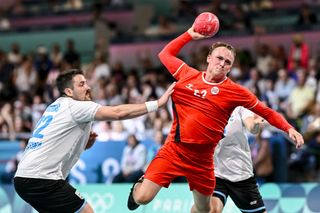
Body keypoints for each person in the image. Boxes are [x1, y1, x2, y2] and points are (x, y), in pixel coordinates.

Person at [127, 24, 304, 213]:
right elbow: (165, 55)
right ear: (209, 58)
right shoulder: (187, 74)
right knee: (142, 198)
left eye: (228, 62)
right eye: (219, 58)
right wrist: (188, 35)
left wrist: (289, 128)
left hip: (203, 160)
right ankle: (138, 185)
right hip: (175, 150)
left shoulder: (235, 91)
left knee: (205, 211)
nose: (222, 63)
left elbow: (266, 111)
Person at [13, 69, 175, 213]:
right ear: (69, 91)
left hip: (22, 178)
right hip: (43, 178)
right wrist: (158, 104)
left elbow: (52, 143)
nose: (88, 87)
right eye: (81, 84)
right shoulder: (76, 106)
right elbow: (118, 112)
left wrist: (83, 145)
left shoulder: (54, 107)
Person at [211, 106, 267, 213]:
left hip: (240, 175)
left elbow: (252, 128)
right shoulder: (209, 107)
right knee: (212, 210)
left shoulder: (240, 107)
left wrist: (256, 123)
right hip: (217, 173)